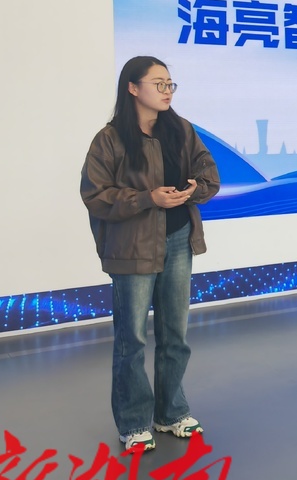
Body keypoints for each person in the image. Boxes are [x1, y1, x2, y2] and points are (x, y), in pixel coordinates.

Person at [80, 56, 220, 452]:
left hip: (178, 240)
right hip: (133, 248)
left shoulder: (181, 130)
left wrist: (194, 190)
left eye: (170, 84)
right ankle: (133, 422)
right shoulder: (110, 139)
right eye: (158, 83)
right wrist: (148, 198)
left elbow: (209, 175)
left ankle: (171, 413)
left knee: (175, 335)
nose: (167, 90)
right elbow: (96, 195)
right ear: (132, 87)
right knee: (132, 341)